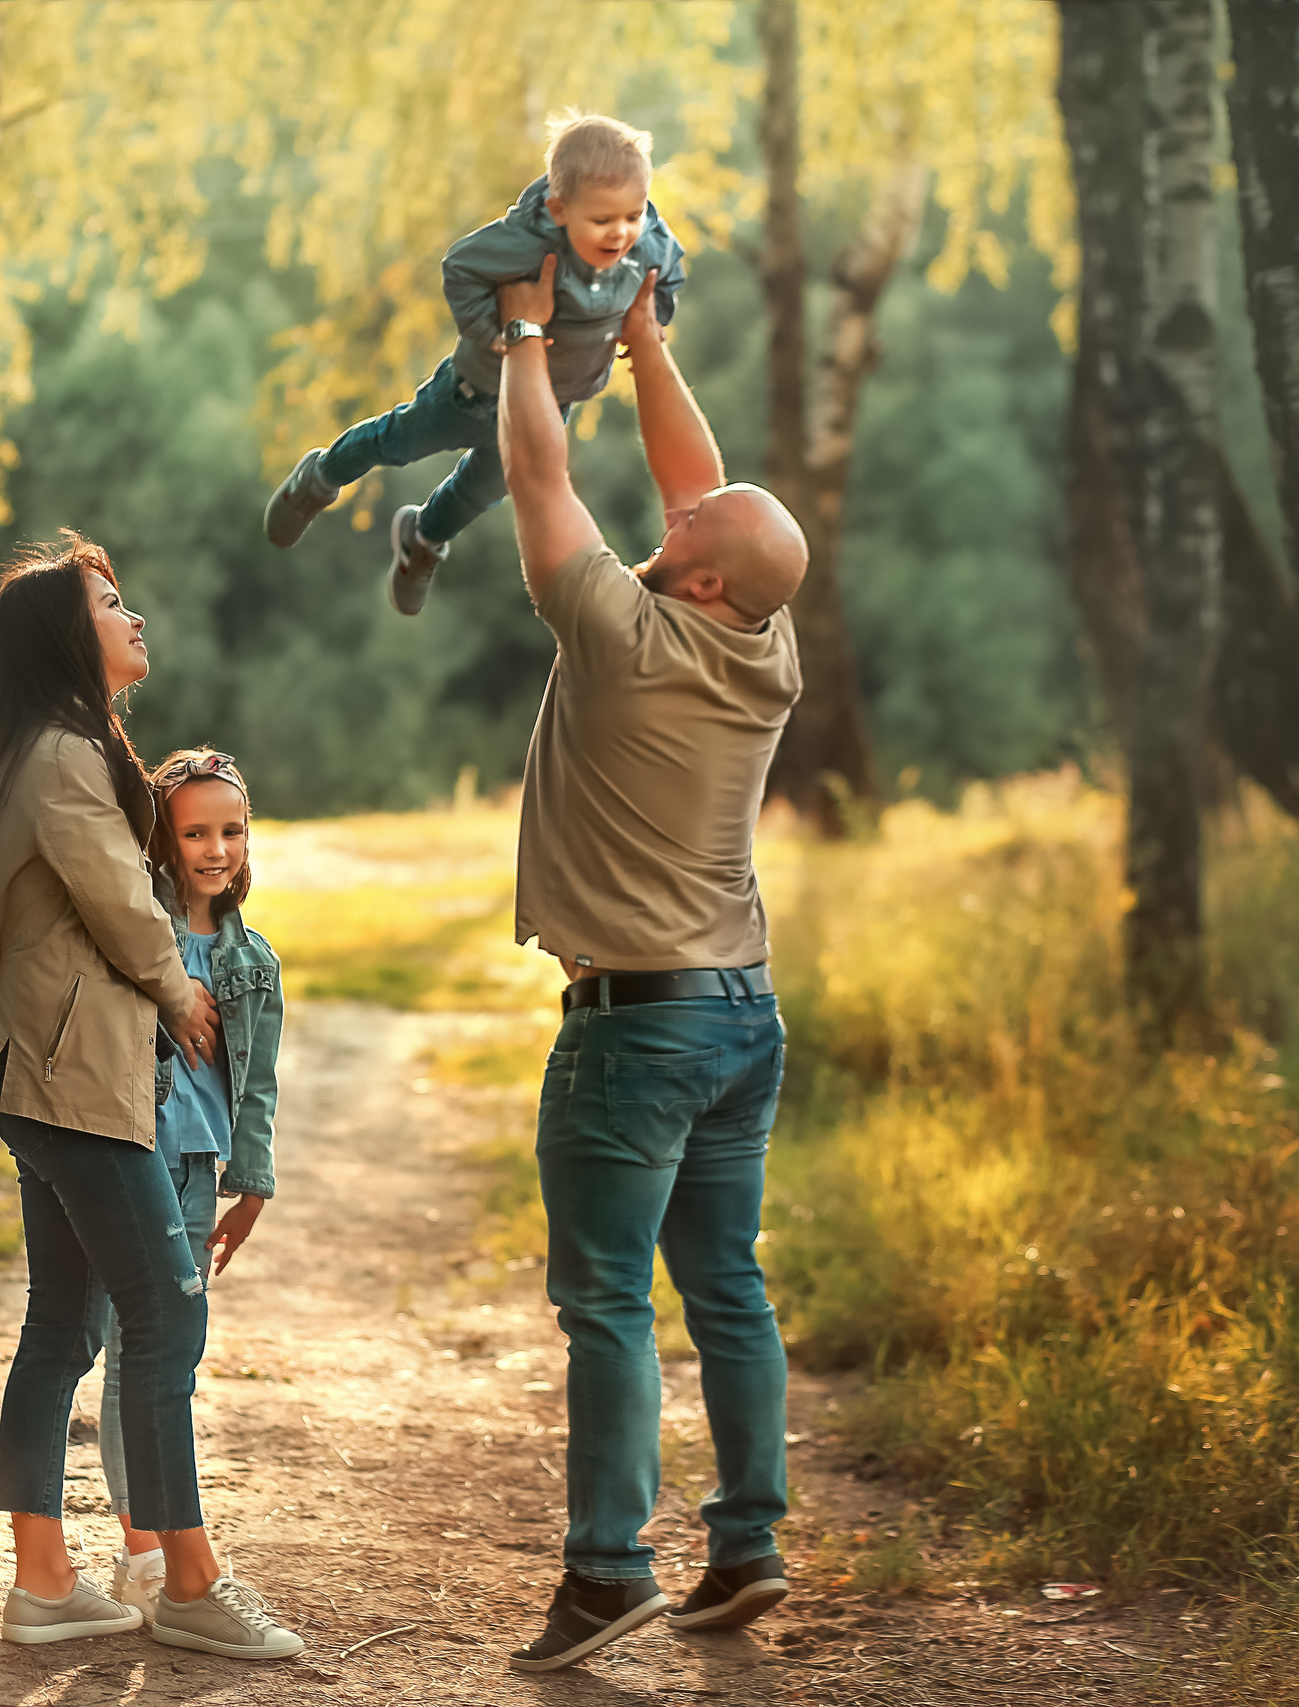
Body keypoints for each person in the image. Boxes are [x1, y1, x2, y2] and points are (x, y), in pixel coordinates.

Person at [486, 257, 811, 1674]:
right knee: (726, 1281)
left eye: (691, 524)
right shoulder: (765, 643)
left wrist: (522, 334)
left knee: (610, 1297)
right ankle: (746, 1542)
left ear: (697, 570)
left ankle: (607, 1566)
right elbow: (712, 488)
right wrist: (642, 342)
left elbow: (534, 468)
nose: (677, 510)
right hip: (742, 1013)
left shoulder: (619, 636)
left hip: (640, 1029)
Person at [0, 536, 304, 1663]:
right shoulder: (62, 752)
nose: (134, 618)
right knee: (167, 1313)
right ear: (63, 634)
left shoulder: (36, 750)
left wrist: (4, 954)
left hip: (44, 1078)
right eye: (110, 603)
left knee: (63, 1326)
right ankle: (186, 1580)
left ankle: (45, 1579)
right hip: (77, 1085)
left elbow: (15, 905)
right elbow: (117, 901)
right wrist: (180, 987)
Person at [0, 748, 284, 1621]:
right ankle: (148, 1551)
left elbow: (257, 1083)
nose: (215, 848)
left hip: (191, 1168)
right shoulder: (126, 931)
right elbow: (43, 972)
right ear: (160, 840)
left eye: (231, 830)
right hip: (117, 1147)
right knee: (108, 1336)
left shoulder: (254, 960)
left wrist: (250, 1178)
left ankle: (142, 1546)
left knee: (154, 1354)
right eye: (194, 832)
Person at [262, 111, 689, 618]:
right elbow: (459, 267)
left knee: (484, 489)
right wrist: (490, 334)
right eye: (602, 221)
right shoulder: (526, 242)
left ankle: (422, 540)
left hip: (554, 400)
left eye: (633, 216)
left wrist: (650, 319)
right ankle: (320, 477)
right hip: (477, 388)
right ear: (557, 210)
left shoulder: (646, 241)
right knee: (396, 441)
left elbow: (672, 269)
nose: (621, 233)